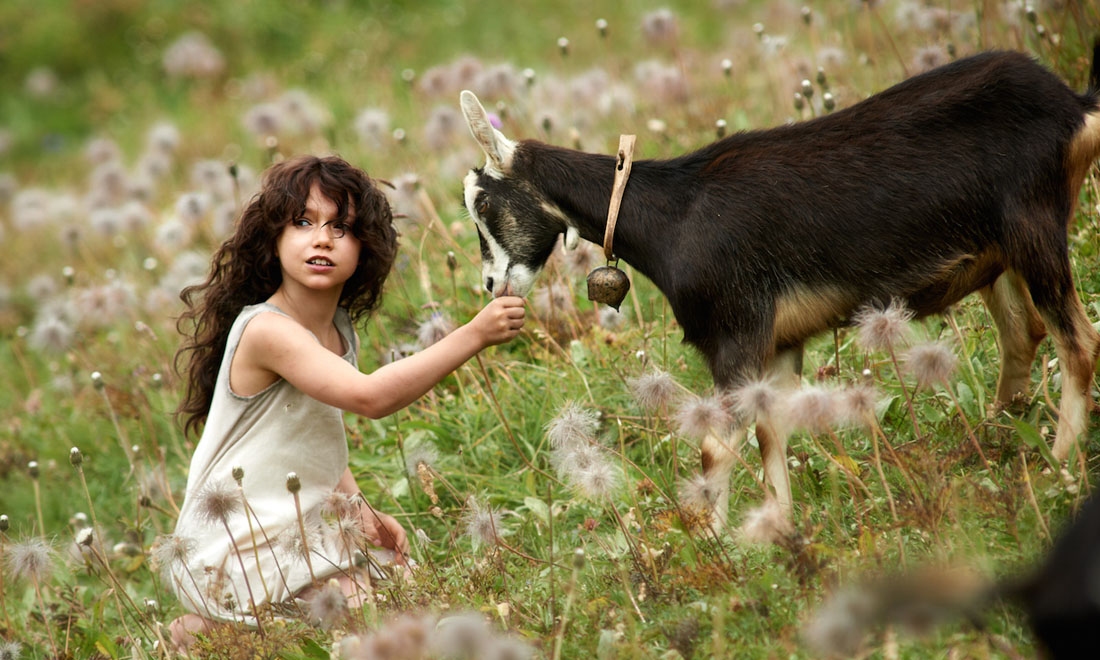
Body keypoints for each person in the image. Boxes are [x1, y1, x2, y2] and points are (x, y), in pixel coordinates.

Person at [165, 155, 525, 648]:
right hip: (238, 540)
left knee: (406, 591)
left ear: (365, 249)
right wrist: (473, 334)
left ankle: (215, 633)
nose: (322, 239)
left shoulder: (337, 331)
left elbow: (318, 436)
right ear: (273, 240)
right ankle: (206, 630)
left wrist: (360, 512)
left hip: (297, 524)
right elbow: (370, 397)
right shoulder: (267, 330)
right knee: (369, 626)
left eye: (342, 227)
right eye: (303, 223)